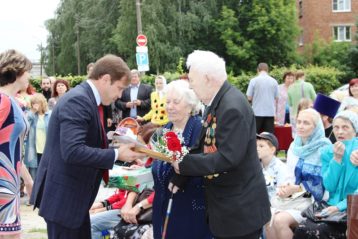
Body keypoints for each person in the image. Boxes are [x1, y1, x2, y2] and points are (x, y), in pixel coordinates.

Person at [30, 54, 146, 239]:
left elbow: (84, 143)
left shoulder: (85, 99)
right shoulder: (79, 100)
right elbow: (73, 151)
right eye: (119, 88)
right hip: (65, 200)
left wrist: (117, 147)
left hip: (72, 199)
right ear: (105, 78)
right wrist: (116, 154)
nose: (119, 95)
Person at [172, 50, 271, 239]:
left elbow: (227, 157)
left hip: (240, 212)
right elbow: (205, 145)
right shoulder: (219, 101)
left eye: (192, 81)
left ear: (208, 78)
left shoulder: (232, 106)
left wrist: (184, 164)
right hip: (229, 210)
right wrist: (182, 173)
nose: (191, 87)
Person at [150, 80, 211, 239]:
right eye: (167, 101)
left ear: (190, 105)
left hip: (190, 211)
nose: (169, 106)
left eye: (176, 102)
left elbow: (206, 167)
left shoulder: (200, 130)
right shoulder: (164, 131)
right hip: (161, 208)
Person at [267, 108, 331, 239]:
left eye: (306, 123)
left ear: (316, 127)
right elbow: (290, 175)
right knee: (267, 218)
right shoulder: (294, 146)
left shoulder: (325, 148)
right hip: (295, 197)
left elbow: (324, 186)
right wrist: (286, 187)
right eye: (299, 122)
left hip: (315, 201)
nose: (300, 126)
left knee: (280, 221)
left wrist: (298, 188)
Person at [294, 110, 358, 239]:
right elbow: (329, 186)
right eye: (336, 127)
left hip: (353, 209)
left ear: (355, 129)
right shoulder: (328, 151)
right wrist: (337, 160)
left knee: (317, 231)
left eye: (345, 127)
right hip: (331, 207)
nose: (340, 132)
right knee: (301, 228)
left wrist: (339, 207)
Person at [0, 49, 32, 238]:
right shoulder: (3, 101)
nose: (29, 75)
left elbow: (14, 148)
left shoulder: (14, 101)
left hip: (10, 180)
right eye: (27, 70)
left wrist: (27, 179)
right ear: (18, 71)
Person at [24, 93, 52, 181]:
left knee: (47, 175)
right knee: (35, 177)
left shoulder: (49, 114)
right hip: (34, 150)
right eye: (33, 103)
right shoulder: (30, 115)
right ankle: (35, 194)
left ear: (42, 103)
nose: (35, 105)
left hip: (47, 149)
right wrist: (32, 111)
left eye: (37, 103)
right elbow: (24, 125)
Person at [257, 132, 290, 201]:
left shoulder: (281, 168)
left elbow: (282, 193)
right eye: (256, 145)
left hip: (276, 206)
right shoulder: (256, 166)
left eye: (261, 146)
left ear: (272, 150)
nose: (257, 148)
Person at [246, 62, 279, 133]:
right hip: (270, 113)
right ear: (267, 70)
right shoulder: (274, 81)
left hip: (257, 112)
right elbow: (276, 98)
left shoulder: (253, 81)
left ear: (258, 70)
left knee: (254, 135)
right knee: (268, 137)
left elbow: (249, 97)